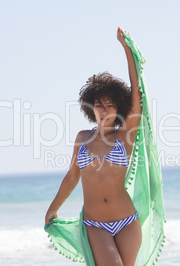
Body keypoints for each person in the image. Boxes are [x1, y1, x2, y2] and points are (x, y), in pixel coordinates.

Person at [45, 27, 142, 266]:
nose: (105, 110)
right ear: (91, 108)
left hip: (127, 221)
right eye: (99, 105)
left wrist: (126, 48)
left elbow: (136, 91)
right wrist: (53, 209)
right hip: (94, 224)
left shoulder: (124, 135)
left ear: (118, 108)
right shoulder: (82, 138)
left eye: (110, 105)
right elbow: (71, 177)